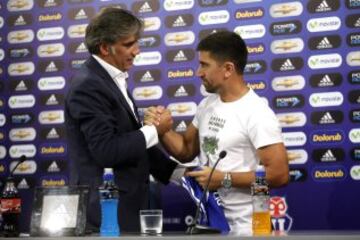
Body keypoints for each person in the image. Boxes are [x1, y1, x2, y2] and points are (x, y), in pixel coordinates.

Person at [145, 31, 289, 235]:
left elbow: (279, 175)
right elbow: (186, 149)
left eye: (204, 65)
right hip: (212, 226)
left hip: (249, 229)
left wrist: (225, 179)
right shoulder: (207, 105)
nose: (198, 72)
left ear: (228, 69)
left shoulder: (257, 113)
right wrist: (161, 129)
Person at [65, 7, 177, 233]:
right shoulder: (88, 85)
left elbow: (130, 141)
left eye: (137, 42)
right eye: (128, 44)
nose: (136, 51)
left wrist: (179, 173)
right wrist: (155, 130)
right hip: (107, 212)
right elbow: (106, 150)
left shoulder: (109, 78)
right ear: (105, 47)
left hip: (127, 207)